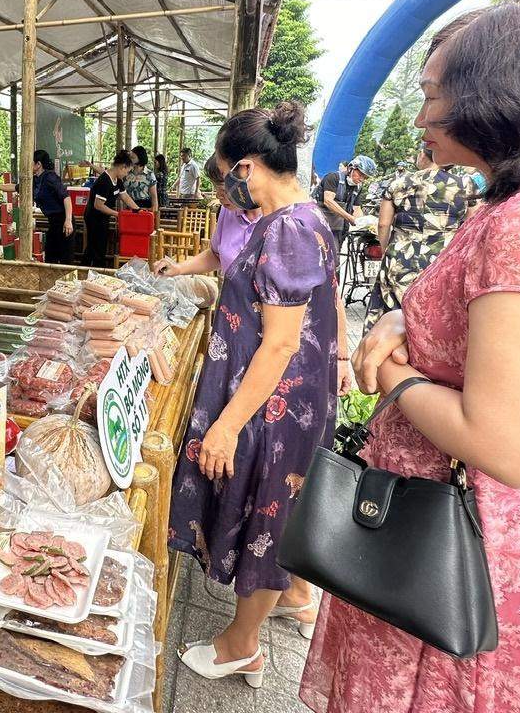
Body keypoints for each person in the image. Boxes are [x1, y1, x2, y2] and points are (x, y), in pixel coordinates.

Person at [302, 0, 520, 713]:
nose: (422, 118)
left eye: (433, 96)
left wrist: (395, 376)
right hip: (444, 515)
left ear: (498, 91)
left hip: (446, 533)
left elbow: (512, 445)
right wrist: (406, 317)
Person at [168, 103, 350, 689]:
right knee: (275, 517)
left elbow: (278, 345)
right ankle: (280, 608)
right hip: (283, 401)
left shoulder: (291, 228)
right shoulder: (299, 218)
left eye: (223, 175)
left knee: (268, 519)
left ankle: (240, 645)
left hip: (277, 406)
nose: (223, 188)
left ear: (245, 167)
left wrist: (225, 425)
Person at [362, 146, 478, 333]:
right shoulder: (465, 185)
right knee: (432, 321)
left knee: (389, 320)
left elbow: (384, 224)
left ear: (425, 155)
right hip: (442, 260)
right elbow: (473, 226)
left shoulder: (399, 182)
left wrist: (387, 250)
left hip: (400, 258)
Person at [156, 152, 260, 276]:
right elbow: (216, 256)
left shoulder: (282, 220)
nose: (218, 196)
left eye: (223, 189)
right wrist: (179, 268)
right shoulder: (228, 211)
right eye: (216, 189)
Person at [0, 150, 75, 264]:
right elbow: (15, 187)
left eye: (30, 162)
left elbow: (66, 198)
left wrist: (68, 220)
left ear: (38, 164)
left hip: (64, 219)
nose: (28, 165)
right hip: (53, 221)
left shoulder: (50, 177)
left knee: (65, 257)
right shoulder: (34, 180)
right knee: (51, 256)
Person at [82, 151, 138, 267]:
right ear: (122, 167)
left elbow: (125, 196)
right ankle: (93, 270)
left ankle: (90, 269)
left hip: (103, 217)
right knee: (96, 246)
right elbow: (98, 205)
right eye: (127, 171)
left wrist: (137, 210)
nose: (126, 174)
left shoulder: (117, 180)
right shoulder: (104, 181)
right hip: (94, 217)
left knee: (98, 245)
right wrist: (117, 214)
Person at [314, 154, 376, 250]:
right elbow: (328, 201)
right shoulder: (333, 177)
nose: (361, 179)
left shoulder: (357, 188)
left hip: (340, 228)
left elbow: (357, 208)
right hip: (321, 226)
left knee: (335, 258)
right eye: (360, 175)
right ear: (351, 168)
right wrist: (350, 218)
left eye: (365, 178)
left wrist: (363, 222)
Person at [126, 145, 160, 211]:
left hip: (145, 207)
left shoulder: (149, 174)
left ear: (140, 157)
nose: (131, 158)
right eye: (131, 157)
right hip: (129, 206)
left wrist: (154, 211)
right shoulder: (126, 173)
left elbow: (154, 196)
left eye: (133, 156)